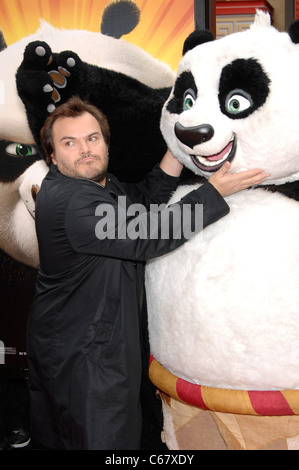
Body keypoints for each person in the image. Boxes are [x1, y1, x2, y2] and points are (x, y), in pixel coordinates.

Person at [27, 96, 269, 450]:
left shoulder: (95, 186)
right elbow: (151, 235)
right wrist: (214, 193)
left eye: (92, 138)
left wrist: (176, 147)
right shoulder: (71, 202)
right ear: (51, 155)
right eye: (69, 143)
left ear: (105, 142)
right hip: (81, 354)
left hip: (92, 339)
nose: (85, 150)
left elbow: (142, 201)